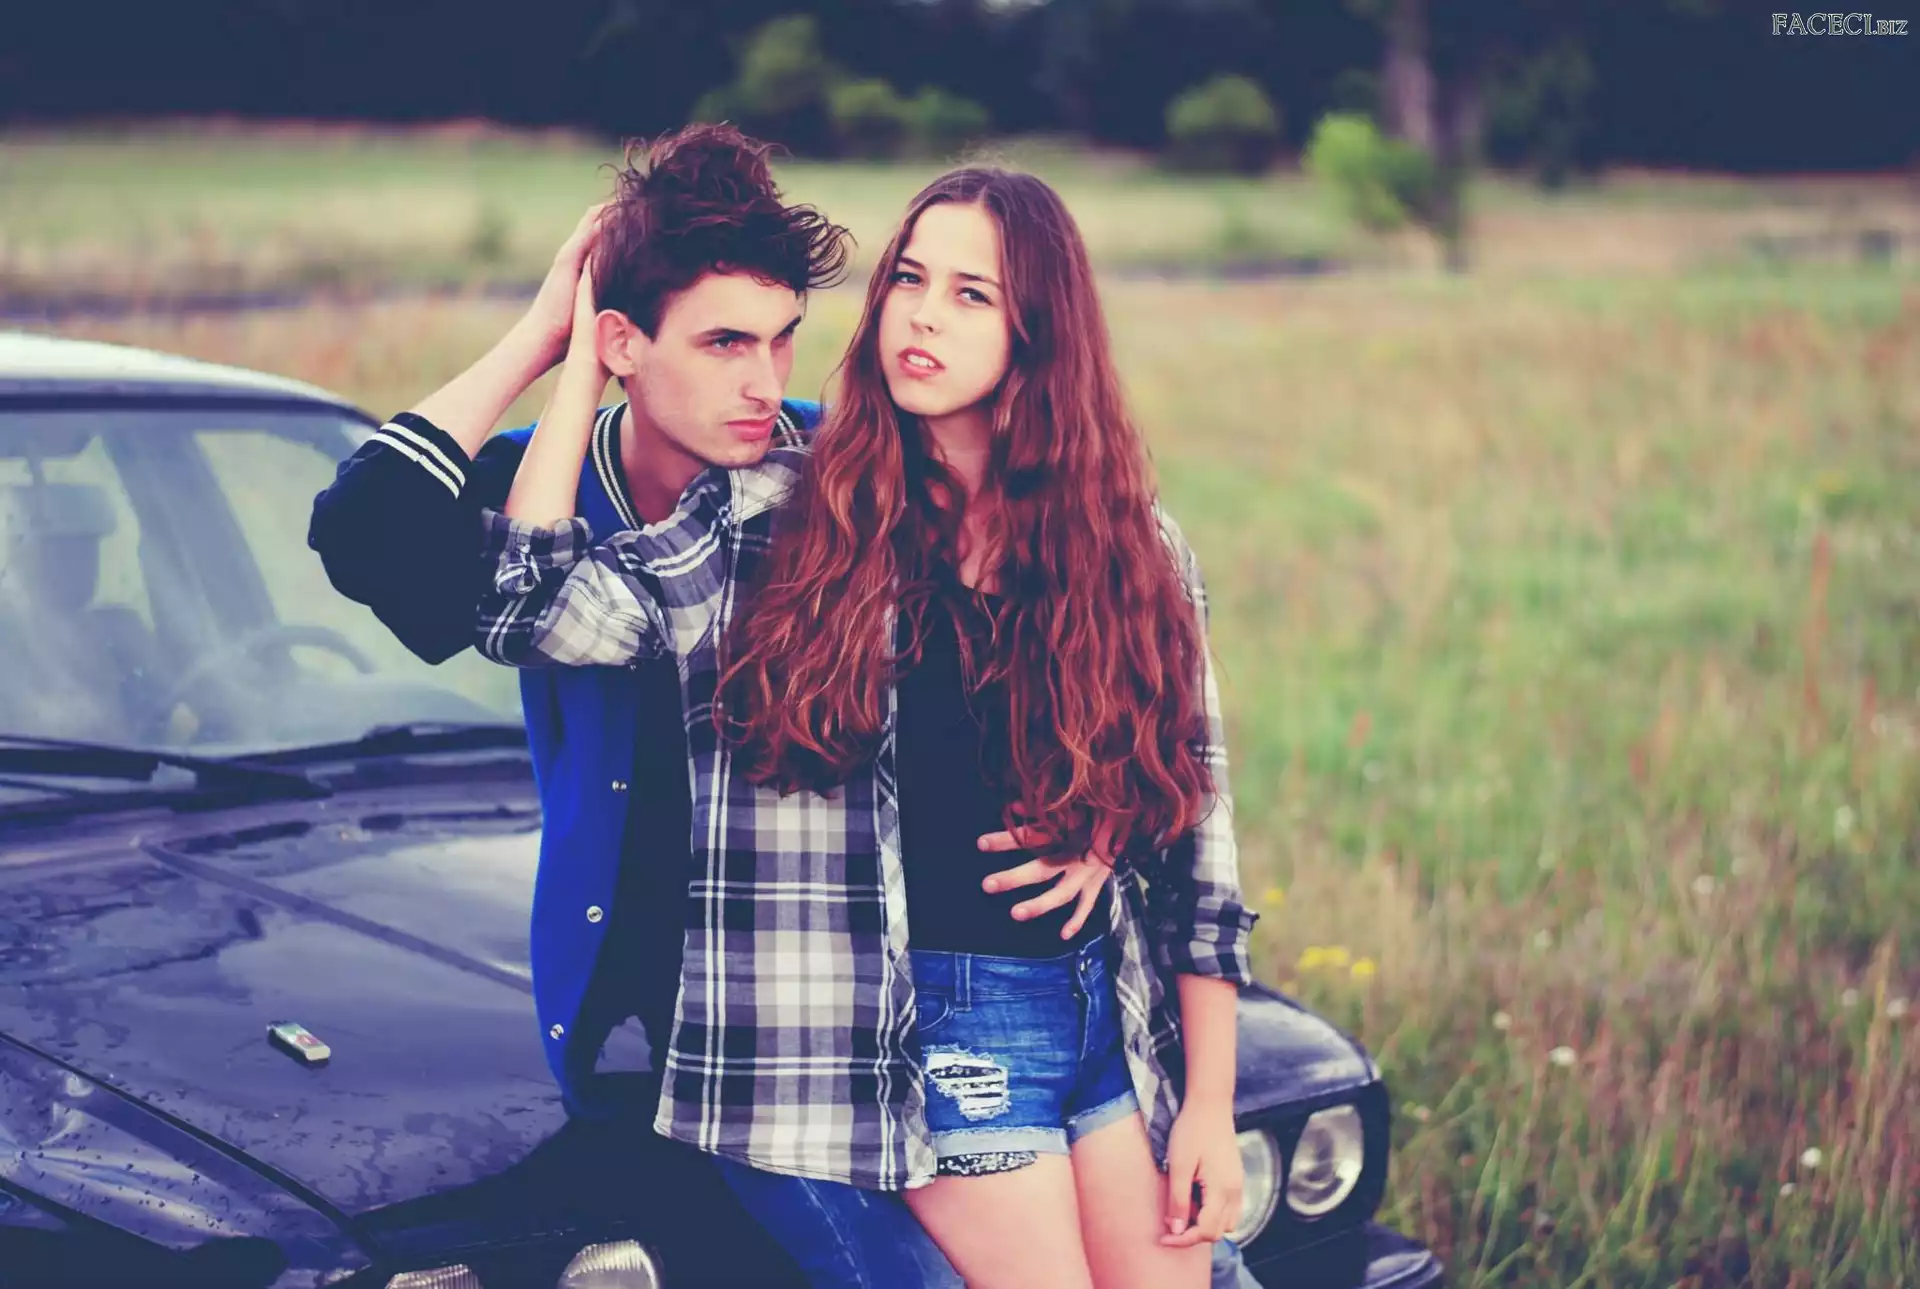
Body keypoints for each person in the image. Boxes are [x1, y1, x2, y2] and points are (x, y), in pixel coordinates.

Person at [309, 126, 1125, 1288]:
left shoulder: (828, 472)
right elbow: (360, 530)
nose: (764, 382)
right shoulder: (543, 482)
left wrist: (1093, 804)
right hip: (641, 1014)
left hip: (842, 1003)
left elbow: (1040, 613)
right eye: (726, 342)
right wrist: (547, 338)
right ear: (626, 343)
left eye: (784, 337)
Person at [469, 164, 1259, 1289]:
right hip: (947, 1027)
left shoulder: (1134, 550)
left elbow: (1197, 843)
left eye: (971, 294)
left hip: (1105, 1016)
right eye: (909, 280)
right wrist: (582, 362)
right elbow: (532, 610)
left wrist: (1211, 1105)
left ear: (1039, 331)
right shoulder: (778, 517)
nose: (922, 316)